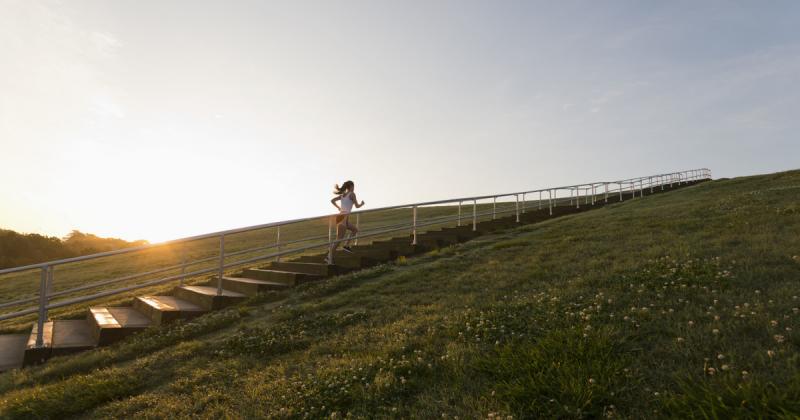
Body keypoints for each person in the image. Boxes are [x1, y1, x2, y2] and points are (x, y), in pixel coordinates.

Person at [326, 180, 365, 264]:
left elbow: (332, 200)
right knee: (339, 238)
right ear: (351, 186)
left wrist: (338, 207)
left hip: (341, 217)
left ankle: (346, 246)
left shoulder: (343, 195)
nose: (354, 188)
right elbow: (357, 206)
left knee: (354, 230)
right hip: (343, 218)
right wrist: (362, 204)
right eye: (353, 186)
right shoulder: (352, 194)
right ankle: (329, 256)